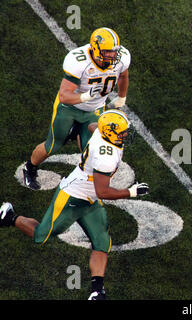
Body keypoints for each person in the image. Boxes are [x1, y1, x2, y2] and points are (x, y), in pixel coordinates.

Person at [1, 109, 149, 300]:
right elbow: (102, 191)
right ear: (111, 133)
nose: (126, 135)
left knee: (102, 242)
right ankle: (10, 217)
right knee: (40, 236)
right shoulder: (106, 156)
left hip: (90, 200)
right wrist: (131, 192)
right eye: (122, 132)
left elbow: (92, 125)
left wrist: (83, 133)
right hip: (72, 196)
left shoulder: (102, 133)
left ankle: (97, 291)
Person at [23, 27, 131, 190]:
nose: (113, 55)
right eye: (108, 52)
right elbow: (64, 96)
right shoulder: (79, 61)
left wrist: (121, 97)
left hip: (94, 109)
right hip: (68, 108)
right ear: (95, 49)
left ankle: (78, 139)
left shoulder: (121, 58)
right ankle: (29, 168)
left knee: (91, 149)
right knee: (53, 145)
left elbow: (123, 75)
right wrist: (86, 96)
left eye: (114, 51)